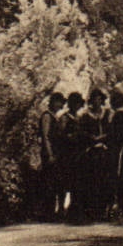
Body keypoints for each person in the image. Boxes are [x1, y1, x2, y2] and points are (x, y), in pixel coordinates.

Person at [84, 89, 115, 219]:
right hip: (92, 151)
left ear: (102, 100)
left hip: (105, 149)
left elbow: (112, 131)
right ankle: (94, 209)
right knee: (93, 180)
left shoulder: (107, 114)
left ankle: (106, 208)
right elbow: (83, 133)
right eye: (94, 99)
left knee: (106, 179)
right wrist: (92, 138)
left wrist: (103, 137)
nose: (97, 101)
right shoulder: (86, 116)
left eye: (99, 99)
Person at [38, 91, 67, 219]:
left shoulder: (56, 117)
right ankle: (48, 212)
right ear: (53, 103)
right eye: (57, 102)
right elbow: (45, 136)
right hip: (49, 153)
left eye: (60, 103)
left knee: (58, 182)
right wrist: (49, 154)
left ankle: (57, 210)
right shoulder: (47, 116)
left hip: (58, 153)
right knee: (49, 182)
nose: (59, 105)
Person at [62, 91, 89, 220]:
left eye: (78, 103)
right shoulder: (65, 118)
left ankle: (77, 208)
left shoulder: (79, 118)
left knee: (79, 181)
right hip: (68, 153)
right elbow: (60, 136)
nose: (77, 106)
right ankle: (70, 209)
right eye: (74, 103)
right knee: (71, 181)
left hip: (79, 153)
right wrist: (72, 137)